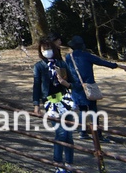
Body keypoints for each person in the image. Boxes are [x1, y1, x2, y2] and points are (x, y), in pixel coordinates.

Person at [65, 35, 126, 142]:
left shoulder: (68, 57)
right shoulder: (87, 56)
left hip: (76, 87)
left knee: (82, 109)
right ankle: (98, 135)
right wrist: (118, 66)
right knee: (93, 110)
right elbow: (103, 63)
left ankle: (82, 132)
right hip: (88, 86)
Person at [31, 39, 74, 173]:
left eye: (48, 49)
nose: (46, 52)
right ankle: (58, 165)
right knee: (60, 133)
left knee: (69, 135)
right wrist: (36, 104)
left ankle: (69, 163)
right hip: (50, 102)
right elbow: (37, 85)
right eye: (43, 50)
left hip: (66, 100)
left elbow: (72, 82)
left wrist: (64, 82)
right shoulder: (39, 66)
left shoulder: (61, 63)